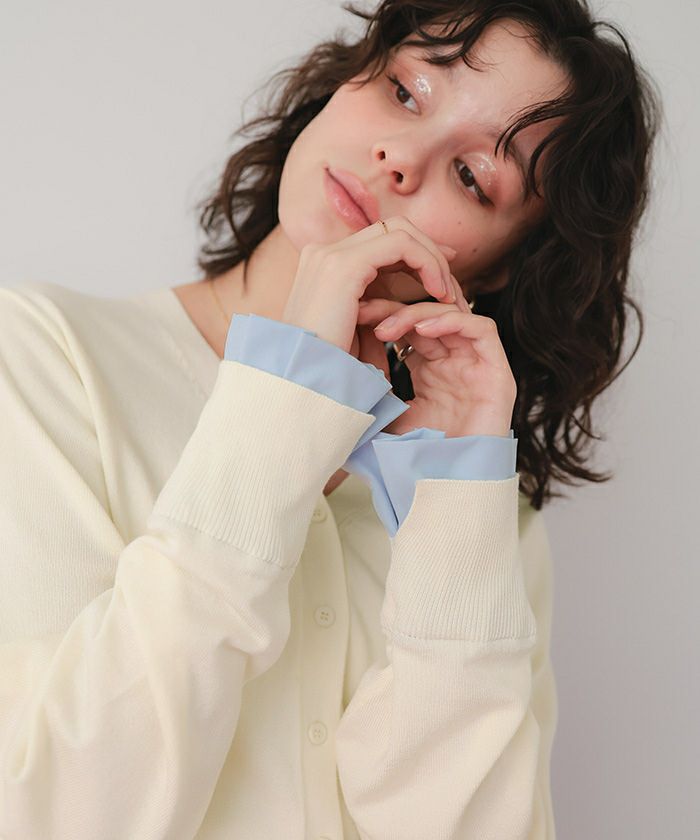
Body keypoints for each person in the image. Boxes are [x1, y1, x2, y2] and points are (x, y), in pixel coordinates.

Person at [0, 1, 659, 837]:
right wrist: (283, 419)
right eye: (406, 92)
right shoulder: (46, 355)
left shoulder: (483, 513)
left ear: (501, 268)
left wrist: (454, 510)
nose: (400, 159)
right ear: (343, 84)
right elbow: (55, 813)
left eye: (471, 177)